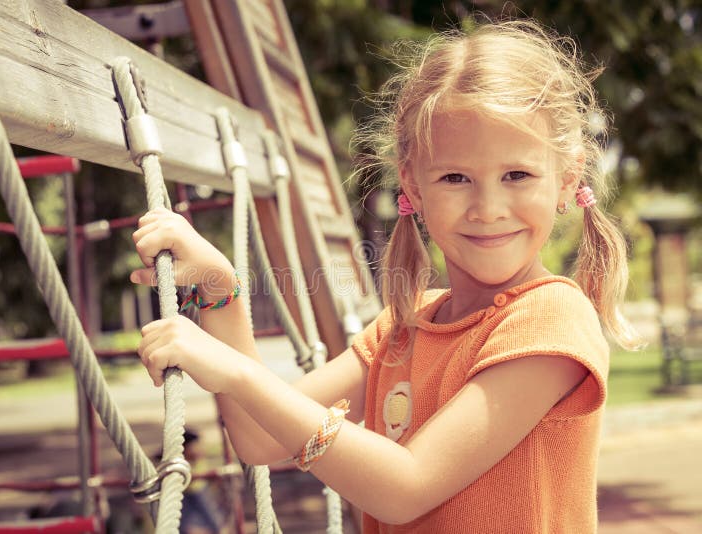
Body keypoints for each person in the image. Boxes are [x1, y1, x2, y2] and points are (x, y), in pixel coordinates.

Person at [130, 19, 641, 533]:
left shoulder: (551, 319)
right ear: (414, 187)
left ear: (567, 179)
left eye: (517, 175)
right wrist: (223, 293)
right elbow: (260, 439)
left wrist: (236, 372)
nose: (488, 209)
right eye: (455, 178)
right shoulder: (404, 328)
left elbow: (406, 489)